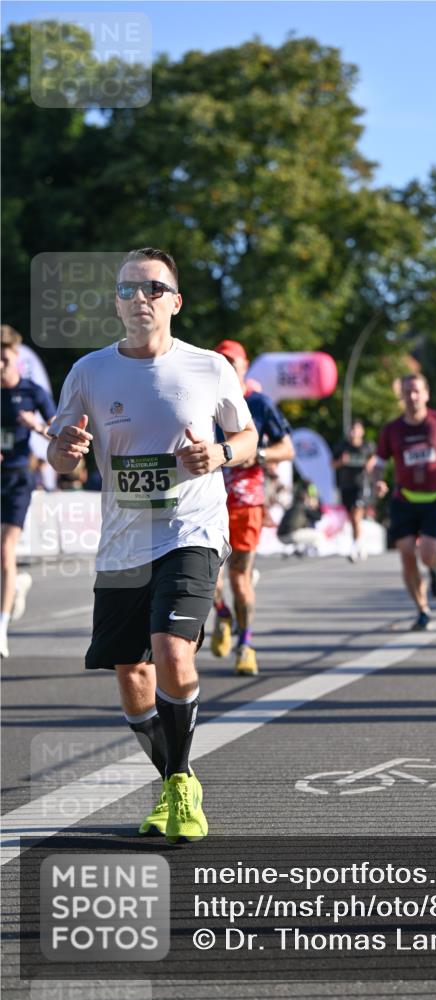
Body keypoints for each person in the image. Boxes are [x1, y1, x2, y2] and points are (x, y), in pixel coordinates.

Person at [47, 248, 258, 842]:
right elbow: (60, 451)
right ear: (115, 303)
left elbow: (246, 435)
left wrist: (217, 453)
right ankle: (176, 780)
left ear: (175, 302)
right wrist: (66, 454)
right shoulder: (89, 371)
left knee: (171, 648)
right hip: (122, 542)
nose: (139, 299)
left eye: (152, 289)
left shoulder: (210, 367)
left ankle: (180, 784)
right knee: (132, 677)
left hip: (191, 529)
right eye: (127, 290)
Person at [209, 339, 293, 676]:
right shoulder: (203, 402)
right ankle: (222, 613)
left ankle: (245, 644)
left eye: (232, 361)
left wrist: (256, 454)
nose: (226, 366)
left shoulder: (259, 403)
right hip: (206, 500)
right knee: (207, 576)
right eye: (221, 360)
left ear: (244, 367)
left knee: (239, 575)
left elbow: (287, 448)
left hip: (246, 502)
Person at [375, 373, 436, 631]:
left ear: (426, 394)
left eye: (416, 391)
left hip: (435, 498)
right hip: (405, 499)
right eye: (407, 392)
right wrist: (378, 480)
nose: (412, 397)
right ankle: (422, 609)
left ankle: (435, 569)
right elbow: (379, 463)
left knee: (427, 553)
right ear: (401, 396)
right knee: (406, 554)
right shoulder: (392, 430)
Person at [1, 325, 56, 656]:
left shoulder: (32, 391)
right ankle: (17, 583)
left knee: (6, 549)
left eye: (4, 359)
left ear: (16, 359)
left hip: (19, 476)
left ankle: (2, 626)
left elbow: (57, 430)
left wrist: (35, 425)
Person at [332, 419, 376, 562]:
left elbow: (376, 459)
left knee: (357, 516)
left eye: (356, 429)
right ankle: (360, 544)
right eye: (351, 429)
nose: (353, 432)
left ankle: (354, 548)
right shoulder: (342, 447)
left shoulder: (367, 447)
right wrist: (341, 462)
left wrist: (371, 464)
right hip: (346, 486)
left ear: (361, 431)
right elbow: (332, 464)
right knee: (352, 519)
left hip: (362, 485)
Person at [277, 482, 323, 555]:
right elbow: (318, 517)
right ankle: (314, 553)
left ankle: (298, 549)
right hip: (289, 536)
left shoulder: (293, 506)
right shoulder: (302, 507)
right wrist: (316, 507)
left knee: (304, 528)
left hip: (281, 535)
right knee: (319, 535)